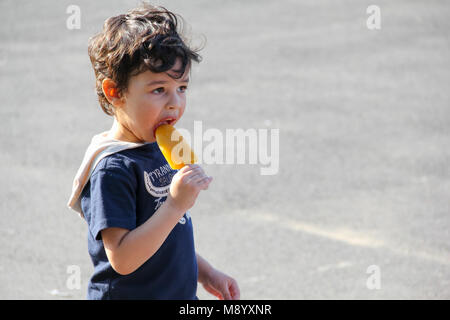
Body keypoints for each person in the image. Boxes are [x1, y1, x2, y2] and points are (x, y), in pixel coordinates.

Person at [67, 3, 240, 300]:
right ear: (115, 92)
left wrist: (206, 272)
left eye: (182, 88)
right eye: (159, 90)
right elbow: (121, 258)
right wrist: (174, 205)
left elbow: (167, 236)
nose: (174, 103)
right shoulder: (113, 168)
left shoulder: (157, 147)